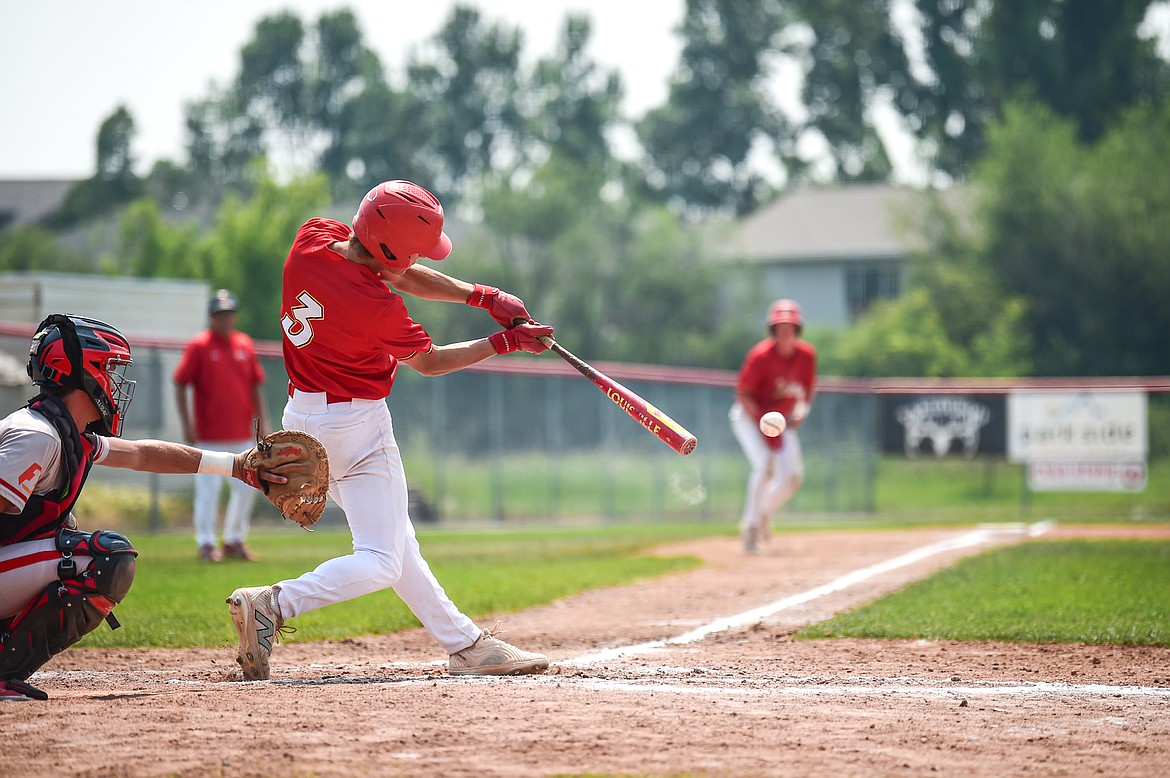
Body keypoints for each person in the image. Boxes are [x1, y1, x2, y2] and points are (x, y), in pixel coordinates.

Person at [226, 180, 555, 682]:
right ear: (390, 251)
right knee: (381, 558)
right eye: (415, 253)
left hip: (302, 421)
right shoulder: (376, 307)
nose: (421, 262)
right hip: (357, 428)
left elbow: (398, 274)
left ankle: (465, 645)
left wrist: (483, 296)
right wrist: (503, 341)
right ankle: (273, 603)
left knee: (396, 541)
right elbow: (430, 362)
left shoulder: (312, 239)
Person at [0, 315, 287, 701]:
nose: (116, 384)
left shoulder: (65, 432)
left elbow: (143, 454)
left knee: (64, 528)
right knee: (104, 558)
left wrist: (236, 466)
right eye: (110, 369)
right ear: (83, 371)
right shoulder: (37, 436)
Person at [174, 289, 268, 562]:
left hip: (241, 434)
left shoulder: (245, 344)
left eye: (228, 313)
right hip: (209, 436)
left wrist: (263, 425)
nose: (224, 318)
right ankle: (205, 543)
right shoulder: (199, 346)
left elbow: (255, 386)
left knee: (248, 488)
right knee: (208, 493)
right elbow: (180, 383)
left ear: (234, 315)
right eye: (219, 314)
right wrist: (187, 424)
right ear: (211, 317)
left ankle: (234, 540)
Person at [729, 299, 817, 554]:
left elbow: (806, 392)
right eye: (780, 327)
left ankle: (763, 511)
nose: (785, 332)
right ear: (773, 330)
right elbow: (743, 395)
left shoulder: (807, 356)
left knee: (792, 478)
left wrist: (801, 412)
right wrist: (761, 425)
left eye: (790, 327)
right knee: (765, 465)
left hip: (781, 420)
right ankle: (751, 528)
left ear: (798, 329)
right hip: (749, 417)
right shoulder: (761, 356)